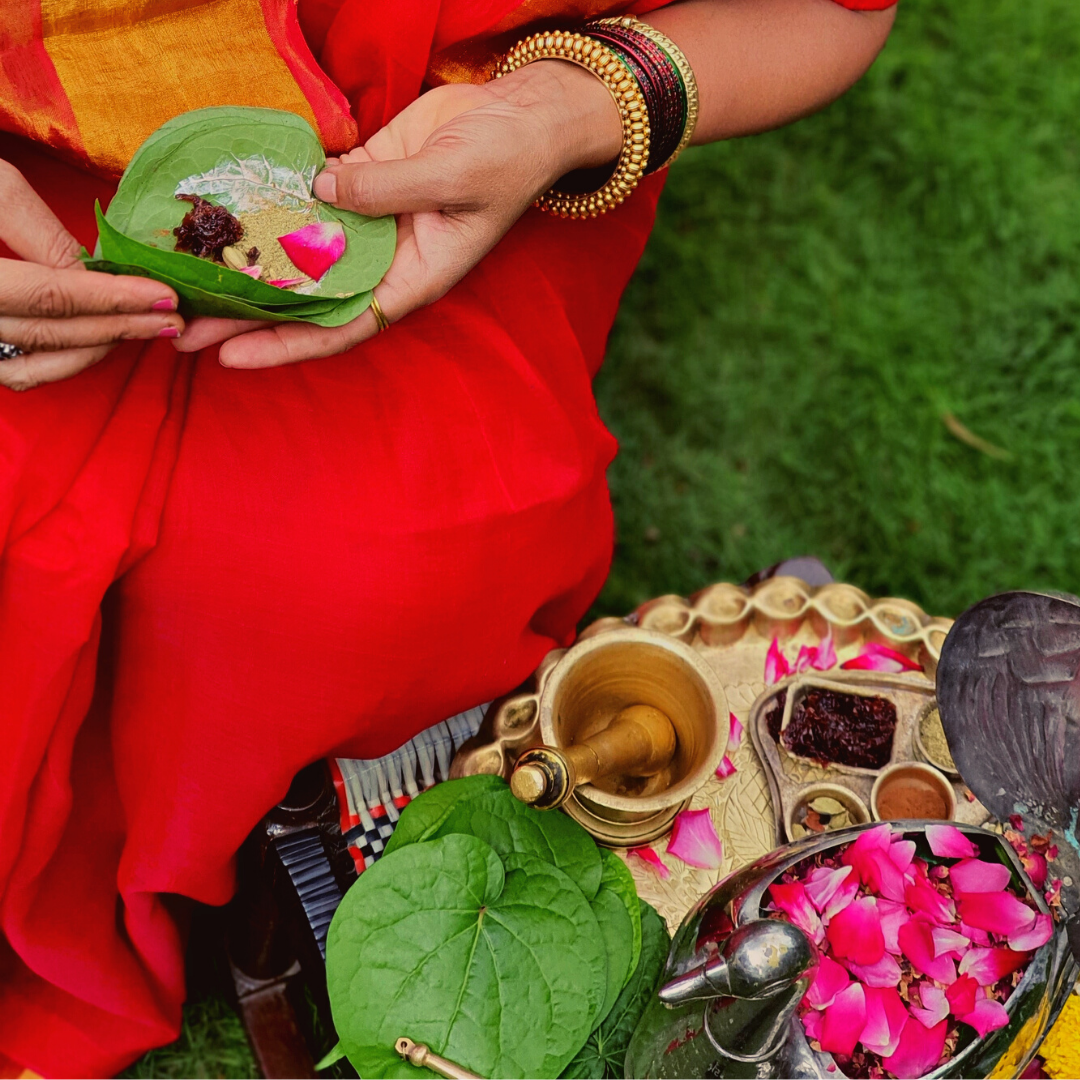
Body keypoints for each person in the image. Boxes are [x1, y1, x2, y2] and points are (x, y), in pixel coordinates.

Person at [0, 0, 895, 1075]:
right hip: (37, 147)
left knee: (347, 583)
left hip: (466, 162)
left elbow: (831, 11)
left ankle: (303, 821)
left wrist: (565, 112)